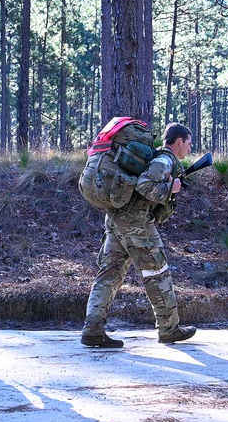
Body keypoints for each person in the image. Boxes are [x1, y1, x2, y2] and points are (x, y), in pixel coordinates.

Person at [81, 122, 197, 348]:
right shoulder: (164, 160)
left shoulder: (157, 158)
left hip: (116, 219)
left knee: (109, 274)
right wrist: (169, 189)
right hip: (136, 224)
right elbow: (145, 186)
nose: (190, 150)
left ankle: (92, 330)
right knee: (158, 273)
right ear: (179, 141)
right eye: (189, 144)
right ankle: (169, 328)